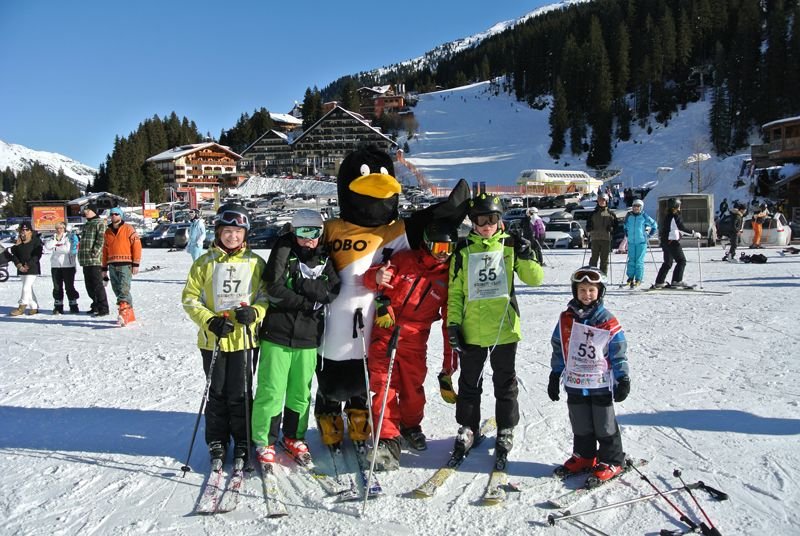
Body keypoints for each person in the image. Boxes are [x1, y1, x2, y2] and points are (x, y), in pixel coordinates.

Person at [446, 191, 544, 462]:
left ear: (499, 220)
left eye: (491, 218)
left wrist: (527, 254)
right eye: (480, 220)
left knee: (505, 381)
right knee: (469, 382)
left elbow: (535, 279)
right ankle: (468, 426)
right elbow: (455, 292)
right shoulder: (463, 251)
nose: (486, 224)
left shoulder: (511, 245)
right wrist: (453, 324)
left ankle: (506, 427)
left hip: (504, 327)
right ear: (473, 223)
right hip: (472, 328)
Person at [364, 220, 458, 471]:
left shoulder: (447, 278)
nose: (443, 253)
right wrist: (376, 277)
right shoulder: (405, 260)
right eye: (438, 246)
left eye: (449, 248)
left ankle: (410, 425)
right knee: (384, 387)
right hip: (385, 332)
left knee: (412, 389)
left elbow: (450, 322)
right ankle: (387, 439)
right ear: (426, 244)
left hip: (415, 339)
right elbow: (371, 280)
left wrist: (449, 366)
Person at [251, 209, 340, 465]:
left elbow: (333, 290)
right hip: (278, 333)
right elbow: (274, 288)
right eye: (303, 233)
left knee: (300, 391)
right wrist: (306, 300)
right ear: (294, 232)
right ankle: (264, 439)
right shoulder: (284, 250)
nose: (308, 240)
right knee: (271, 389)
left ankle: (293, 435)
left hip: (308, 336)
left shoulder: (324, 256)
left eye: (314, 233)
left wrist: (303, 285)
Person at [182, 203, 268, 466]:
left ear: (246, 234)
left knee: (241, 392)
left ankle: (243, 438)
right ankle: (217, 440)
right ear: (218, 231)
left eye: (238, 232)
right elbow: (190, 298)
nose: (232, 236)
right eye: (227, 231)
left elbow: (266, 296)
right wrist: (210, 321)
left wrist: (255, 312)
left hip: (244, 338)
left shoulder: (256, 262)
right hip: (214, 340)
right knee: (217, 392)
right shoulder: (204, 263)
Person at [547, 266, 629, 481]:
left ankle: (612, 459)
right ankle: (585, 455)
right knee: (580, 420)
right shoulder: (566, 318)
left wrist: (623, 378)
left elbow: (618, 351)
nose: (586, 295)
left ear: (600, 292)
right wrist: (555, 375)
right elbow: (559, 346)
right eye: (582, 290)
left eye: (591, 290)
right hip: (575, 380)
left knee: (604, 422)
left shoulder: (606, 320)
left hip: (599, 381)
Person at [102, 207, 142, 325]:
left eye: (116, 214)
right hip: (112, 264)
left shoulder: (129, 229)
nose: (114, 216)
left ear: (121, 216)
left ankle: (123, 312)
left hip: (126, 264)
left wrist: (136, 263)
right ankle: (129, 313)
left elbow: (137, 246)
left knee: (124, 289)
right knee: (117, 290)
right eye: (112, 214)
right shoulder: (107, 231)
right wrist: (103, 268)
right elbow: (104, 250)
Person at [653, 198, 702, 289]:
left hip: (665, 241)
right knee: (681, 261)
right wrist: (694, 234)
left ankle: (659, 282)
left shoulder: (667, 215)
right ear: (676, 206)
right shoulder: (675, 216)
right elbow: (681, 228)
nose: (680, 207)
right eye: (679, 205)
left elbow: (675, 229)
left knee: (667, 263)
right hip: (672, 242)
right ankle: (677, 281)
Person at [5, 222, 43, 316]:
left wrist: (28, 265)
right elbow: (13, 256)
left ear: (31, 231)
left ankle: (21, 306)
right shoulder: (19, 242)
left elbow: (37, 255)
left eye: (27, 230)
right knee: (28, 288)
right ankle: (34, 307)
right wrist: (19, 265)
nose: (24, 232)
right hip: (21, 269)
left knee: (26, 287)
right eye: (22, 230)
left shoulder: (36, 241)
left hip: (32, 268)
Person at [78, 203, 110, 317]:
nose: (85, 212)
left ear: (94, 211)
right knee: (89, 285)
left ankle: (103, 308)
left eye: (87, 210)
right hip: (85, 259)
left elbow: (101, 240)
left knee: (97, 285)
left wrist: (94, 252)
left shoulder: (100, 223)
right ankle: (95, 305)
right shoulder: (87, 224)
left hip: (95, 260)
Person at [43, 221, 80, 314]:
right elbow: (47, 246)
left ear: (64, 229)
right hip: (56, 265)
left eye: (61, 228)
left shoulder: (69, 237)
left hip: (68, 265)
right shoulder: (53, 237)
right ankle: (58, 306)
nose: (59, 230)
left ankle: (73, 305)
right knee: (57, 287)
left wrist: (55, 248)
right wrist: (56, 242)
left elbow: (67, 249)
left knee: (69, 286)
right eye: (57, 228)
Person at [622, 199, 657, 287]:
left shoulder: (644, 216)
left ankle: (638, 278)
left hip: (641, 242)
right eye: (634, 206)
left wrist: (649, 235)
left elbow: (655, 225)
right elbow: (625, 226)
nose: (636, 208)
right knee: (631, 260)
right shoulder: (629, 216)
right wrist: (626, 233)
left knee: (639, 261)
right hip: (631, 242)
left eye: (638, 206)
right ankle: (630, 277)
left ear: (641, 208)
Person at [586, 193, 617, 275]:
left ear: (606, 201)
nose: (601, 202)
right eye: (600, 200)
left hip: (606, 239)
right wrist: (589, 228)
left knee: (604, 260)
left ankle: (603, 275)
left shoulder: (611, 214)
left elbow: (616, 225)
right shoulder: (593, 213)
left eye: (603, 200)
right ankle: (592, 274)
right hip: (595, 238)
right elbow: (588, 224)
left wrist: (612, 228)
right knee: (594, 259)